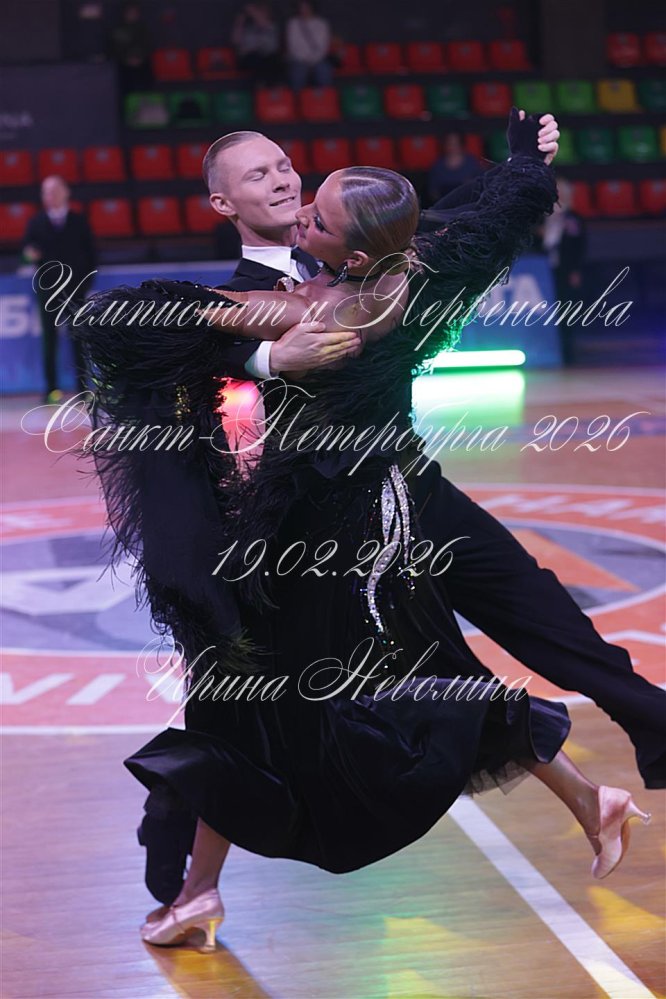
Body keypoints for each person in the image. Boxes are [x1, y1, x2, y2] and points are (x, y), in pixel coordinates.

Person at [75, 112, 655, 950]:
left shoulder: (323, 295)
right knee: (308, 685)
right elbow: (478, 220)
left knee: (339, 683)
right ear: (221, 203)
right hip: (320, 522)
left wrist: (265, 347)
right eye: (263, 174)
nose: (287, 181)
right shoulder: (386, 270)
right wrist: (525, 163)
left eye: (289, 168)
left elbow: (131, 319)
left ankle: (197, 888)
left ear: (347, 246)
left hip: (365, 518)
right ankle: (588, 796)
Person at [23, 176, 97, 403]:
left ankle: (82, 388)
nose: (50, 196)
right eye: (46, 191)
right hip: (48, 291)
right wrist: (29, 255)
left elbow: (92, 255)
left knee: (79, 337)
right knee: (49, 339)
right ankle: (51, 389)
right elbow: (26, 253)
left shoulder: (79, 221)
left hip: (75, 289)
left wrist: (84, 284)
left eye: (55, 190)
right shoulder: (36, 222)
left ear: (66, 192)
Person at [542, 176, 587, 366]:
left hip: (564, 271)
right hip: (542, 271)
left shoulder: (573, 219)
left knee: (566, 311)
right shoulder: (542, 216)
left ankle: (567, 352)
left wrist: (575, 270)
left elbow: (579, 247)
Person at [231, 2, 283, 87]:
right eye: (260, 11)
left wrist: (250, 9)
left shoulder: (271, 26)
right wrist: (239, 23)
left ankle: (272, 89)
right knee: (255, 58)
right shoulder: (249, 29)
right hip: (251, 58)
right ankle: (259, 87)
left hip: (268, 58)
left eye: (263, 12)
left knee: (273, 61)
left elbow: (262, 22)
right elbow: (235, 41)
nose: (260, 14)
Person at [285, 0, 332, 90]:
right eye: (301, 7)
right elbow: (292, 46)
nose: (304, 10)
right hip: (298, 59)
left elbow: (323, 47)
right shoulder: (293, 23)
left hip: (317, 59)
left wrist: (313, 60)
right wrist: (304, 59)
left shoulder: (322, 24)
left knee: (324, 69)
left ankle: (324, 96)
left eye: (306, 7)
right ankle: (297, 96)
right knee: (298, 71)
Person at [427, 132, 483, 204]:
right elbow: (433, 191)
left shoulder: (472, 163)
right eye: (449, 143)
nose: (452, 147)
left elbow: (480, 187)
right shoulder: (438, 166)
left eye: (456, 143)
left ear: (461, 144)